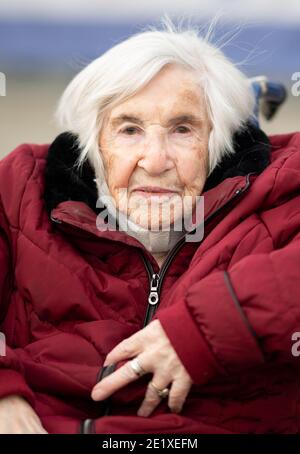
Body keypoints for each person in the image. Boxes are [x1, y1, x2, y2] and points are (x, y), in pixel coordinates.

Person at [0, 22, 299, 435]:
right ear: (93, 142)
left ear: (216, 142)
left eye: (183, 129)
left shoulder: (283, 187)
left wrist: (203, 331)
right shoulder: (19, 189)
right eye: (129, 129)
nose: (155, 161)